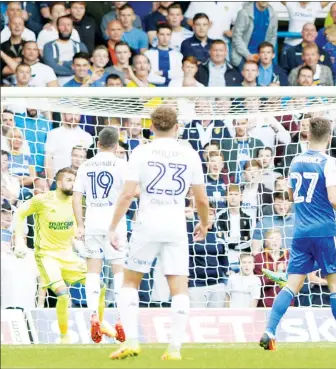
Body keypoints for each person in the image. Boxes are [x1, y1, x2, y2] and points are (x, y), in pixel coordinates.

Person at [258, 117, 336, 351]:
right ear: (329, 138)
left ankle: (269, 330)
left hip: (301, 232)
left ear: (308, 135)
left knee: (291, 285)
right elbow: (334, 198)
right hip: (325, 231)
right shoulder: (329, 162)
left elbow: (289, 195)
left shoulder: (295, 161)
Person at [108, 107, 209, 360]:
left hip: (147, 223)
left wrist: (113, 226)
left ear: (151, 127)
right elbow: (202, 199)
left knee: (130, 282)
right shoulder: (190, 154)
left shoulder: (141, 152)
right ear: (177, 127)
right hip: (176, 225)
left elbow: (128, 193)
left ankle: (131, 341)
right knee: (179, 288)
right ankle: (174, 348)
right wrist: (204, 224)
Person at [12, 167, 117, 343]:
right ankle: (64, 337)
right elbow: (20, 213)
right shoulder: (42, 200)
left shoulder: (76, 202)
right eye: (69, 180)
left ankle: (99, 322)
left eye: (75, 180)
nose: (74, 183)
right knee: (62, 294)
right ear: (59, 183)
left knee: (100, 285)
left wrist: (79, 244)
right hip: (47, 255)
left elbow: (74, 228)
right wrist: (20, 240)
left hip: (68, 255)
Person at [72, 127, 127, 343]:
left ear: (98, 144)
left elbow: (77, 198)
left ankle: (94, 315)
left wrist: (80, 224)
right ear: (116, 146)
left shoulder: (86, 165)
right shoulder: (122, 164)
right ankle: (121, 320)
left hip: (93, 221)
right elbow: (131, 192)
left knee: (93, 271)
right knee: (119, 272)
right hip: (114, 222)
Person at [41, 15, 88, 85]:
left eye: (68, 25)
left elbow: (85, 65)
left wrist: (63, 63)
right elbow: (52, 68)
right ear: (57, 27)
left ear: (72, 28)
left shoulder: (80, 46)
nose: (66, 28)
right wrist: (74, 68)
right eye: (62, 25)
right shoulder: (48, 46)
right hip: (56, 83)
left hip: (80, 82)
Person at [231, 2, 278, 68]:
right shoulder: (244, 13)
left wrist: (267, 54)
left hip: (262, 58)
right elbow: (237, 36)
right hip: (243, 58)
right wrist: (247, 55)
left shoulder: (273, 15)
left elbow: (273, 36)